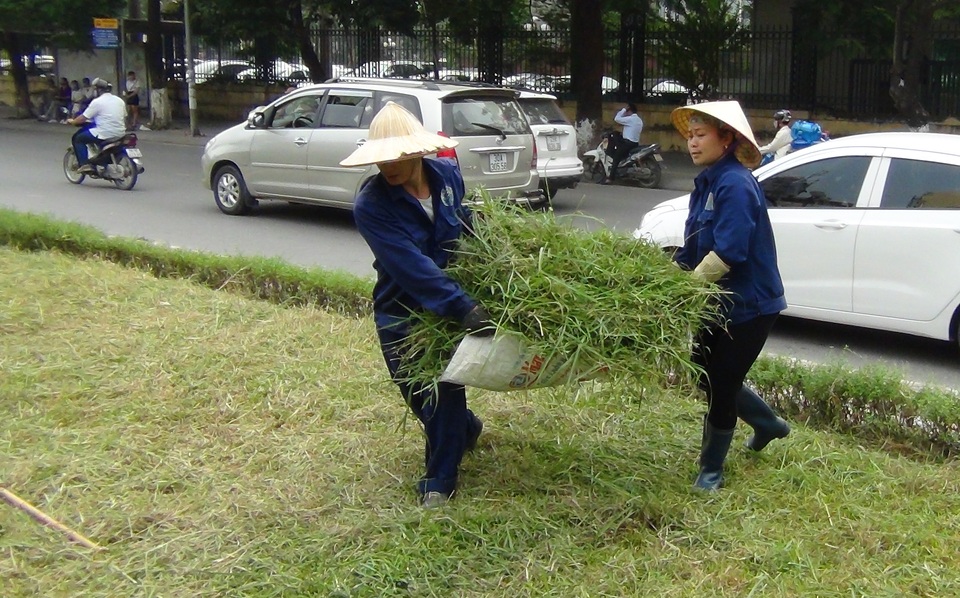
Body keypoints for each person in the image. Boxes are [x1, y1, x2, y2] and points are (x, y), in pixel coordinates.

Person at [340, 102, 491, 509]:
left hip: (451, 301)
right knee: (418, 393)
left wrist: (492, 257)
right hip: (402, 311)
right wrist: (464, 308)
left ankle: (439, 482)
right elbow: (412, 268)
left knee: (441, 390)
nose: (388, 165)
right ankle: (465, 430)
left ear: (416, 151)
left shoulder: (447, 175)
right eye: (380, 158)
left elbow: (465, 225)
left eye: (396, 155)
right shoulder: (371, 205)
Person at [671, 100, 791, 491]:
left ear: (726, 139)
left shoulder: (735, 184)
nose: (692, 142)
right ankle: (768, 423)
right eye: (690, 135)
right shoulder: (706, 183)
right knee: (705, 373)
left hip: (749, 305)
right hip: (715, 302)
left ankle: (711, 470)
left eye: (701, 135)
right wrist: (666, 278)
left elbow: (729, 252)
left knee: (722, 382)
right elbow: (692, 247)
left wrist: (684, 288)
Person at [66, 78, 128, 174]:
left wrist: (73, 121)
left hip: (105, 133)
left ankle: (84, 165)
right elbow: (124, 117)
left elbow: (83, 118)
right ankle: (101, 162)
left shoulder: (97, 102)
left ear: (98, 90)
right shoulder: (119, 101)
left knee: (78, 138)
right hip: (120, 132)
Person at [601, 102, 643, 184]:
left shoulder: (630, 119)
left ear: (629, 110)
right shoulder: (638, 120)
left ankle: (610, 178)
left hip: (627, 144)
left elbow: (617, 119)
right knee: (616, 135)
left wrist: (623, 109)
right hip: (634, 143)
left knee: (616, 158)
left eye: (627, 111)